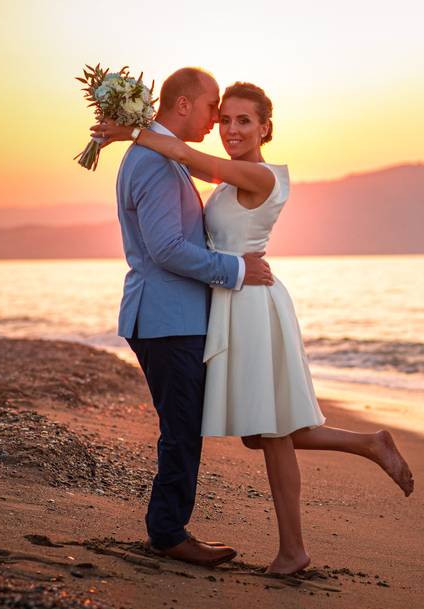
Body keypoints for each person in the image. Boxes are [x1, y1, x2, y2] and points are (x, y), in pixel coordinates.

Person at [93, 76, 414, 575]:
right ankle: (364, 444)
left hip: (248, 303)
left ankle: (291, 547)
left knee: (268, 429)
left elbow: (188, 161)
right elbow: (176, 210)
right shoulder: (212, 172)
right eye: (221, 117)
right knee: (259, 431)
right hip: (226, 301)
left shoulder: (257, 176)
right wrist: (135, 133)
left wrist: (133, 132)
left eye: (242, 120)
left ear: (267, 128)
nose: (227, 127)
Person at [112, 67, 274, 568]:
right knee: (181, 428)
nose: (215, 121)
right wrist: (236, 268)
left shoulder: (159, 155)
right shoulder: (156, 163)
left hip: (167, 314)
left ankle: (168, 526)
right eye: (211, 110)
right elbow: (165, 249)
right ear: (183, 105)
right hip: (166, 316)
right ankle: (167, 533)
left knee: (182, 425)